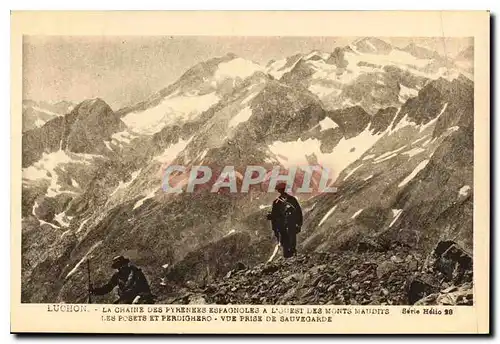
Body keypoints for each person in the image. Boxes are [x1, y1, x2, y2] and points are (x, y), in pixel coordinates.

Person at [90, 255, 155, 304]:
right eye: (118, 266)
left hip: (140, 296)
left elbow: (145, 288)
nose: (121, 267)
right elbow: (108, 287)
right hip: (126, 298)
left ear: (126, 264)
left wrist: (139, 297)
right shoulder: (117, 276)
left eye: (122, 264)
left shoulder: (136, 272)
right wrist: (95, 291)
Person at [267, 183, 303, 258]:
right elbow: (298, 212)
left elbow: (274, 217)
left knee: (288, 242)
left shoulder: (277, 202)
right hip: (287, 225)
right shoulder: (291, 200)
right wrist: (299, 224)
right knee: (289, 241)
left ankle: (290, 256)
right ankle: (290, 256)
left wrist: (274, 227)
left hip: (285, 225)